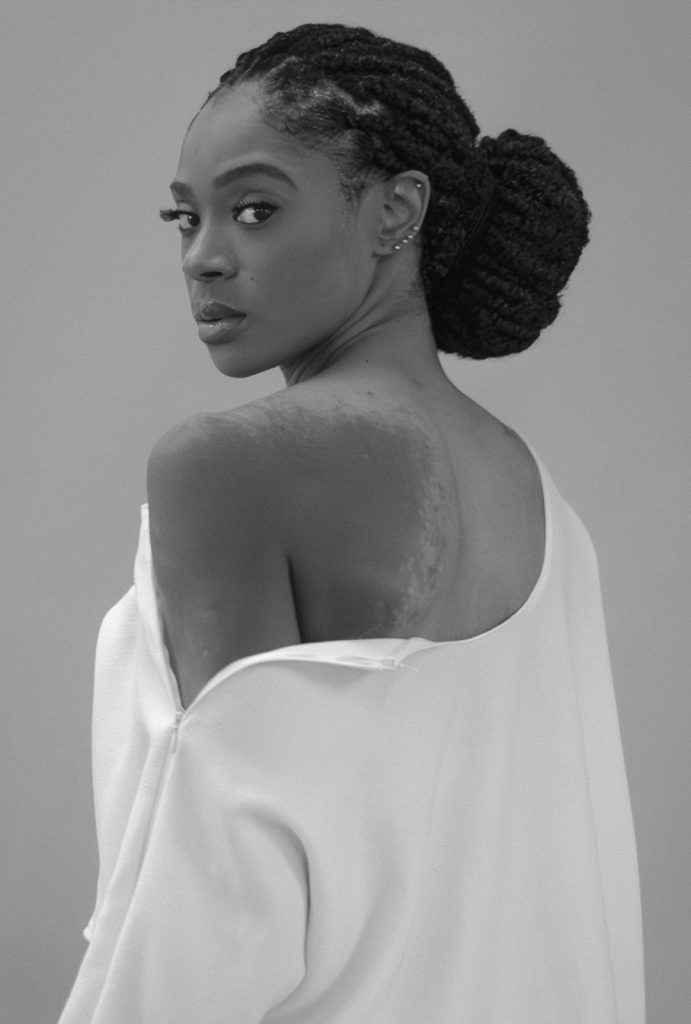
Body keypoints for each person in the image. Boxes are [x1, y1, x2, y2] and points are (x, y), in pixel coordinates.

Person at [58, 23, 644, 1024]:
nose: (202, 257)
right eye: (183, 217)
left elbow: (207, 916)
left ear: (395, 210)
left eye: (253, 210)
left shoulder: (230, 467)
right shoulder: (548, 507)